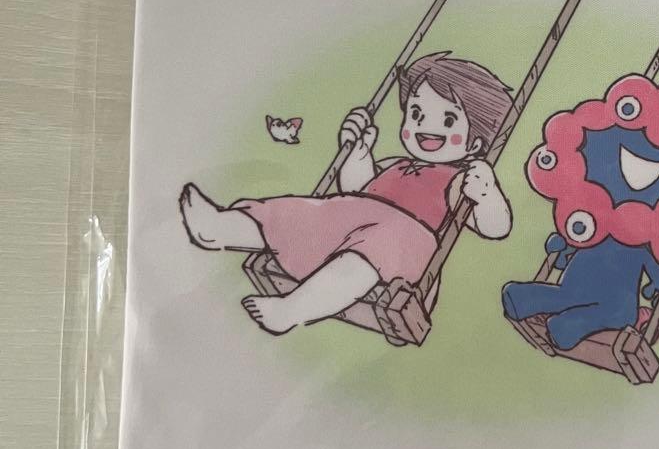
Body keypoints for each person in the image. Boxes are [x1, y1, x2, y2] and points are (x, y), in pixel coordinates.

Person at [180, 53, 514, 335]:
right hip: (353, 229)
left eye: (448, 119)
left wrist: (487, 194)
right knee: (303, 212)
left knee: (381, 239)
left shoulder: (458, 180)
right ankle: (221, 228)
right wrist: (358, 152)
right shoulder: (394, 164)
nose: (427, 126)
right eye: (416, 113)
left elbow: (496, 227)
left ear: (475, 143)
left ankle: (291, 311)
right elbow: (357, 191)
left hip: (405, 253)